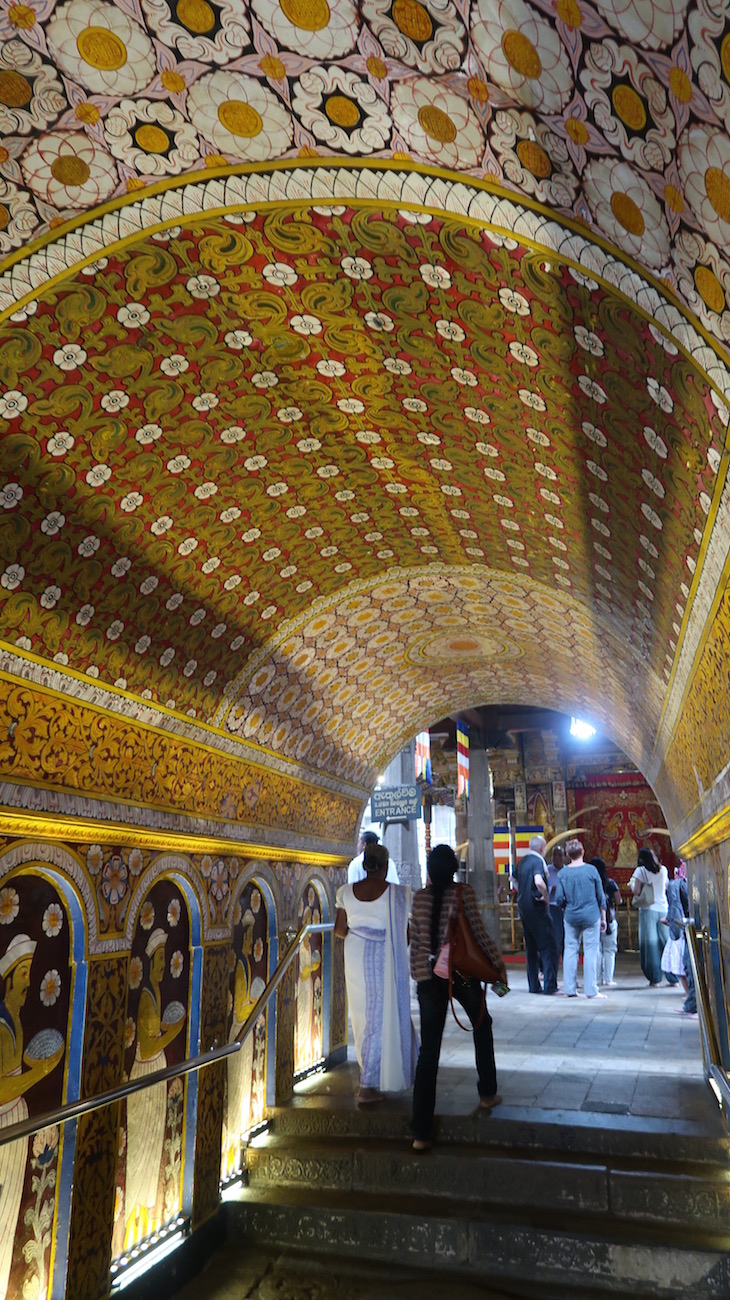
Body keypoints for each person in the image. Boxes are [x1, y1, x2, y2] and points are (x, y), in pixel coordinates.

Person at [409, 844, 508, 1151]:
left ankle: (421, 1133)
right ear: (453, 869)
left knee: (429, 1053)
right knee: (482, 1023)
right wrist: (497, 968)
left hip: (429, 980)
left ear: (429, 870)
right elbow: (478, 934)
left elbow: (416, 940)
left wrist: (423, 973)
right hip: (462, 976)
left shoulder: (419, 898)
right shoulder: (462, 894)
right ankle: (487, 1091)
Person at [0, 935, 64, 1296]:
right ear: (8, 978)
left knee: (8, 1214)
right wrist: (41, 1072)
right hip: (6, 1124)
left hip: (14, 1123)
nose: (28, 981)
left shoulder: (14, 1018)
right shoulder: (2, 1025)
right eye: (23, 973)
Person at [335, 843, 416, 1106]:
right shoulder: (400, 894)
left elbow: (339, 930)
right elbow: (406, 935)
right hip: (385, 954)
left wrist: (360, 933)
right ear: (385, 866)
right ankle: (368, 1085)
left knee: (362, 1016)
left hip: (355, 952)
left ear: (364, 864)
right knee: (383, 1013)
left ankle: (370, 1075)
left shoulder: (345, 892)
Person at [125, 928, 185, 1247]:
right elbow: (147, 1047)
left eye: (164, 958)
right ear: (150, 963)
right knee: (142, 1145)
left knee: (152, 1138)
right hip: (146, 1071)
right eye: (160, 959)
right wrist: (173, 1033)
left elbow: (153, 1031)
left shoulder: (154, 992)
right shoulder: (147, 996)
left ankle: (145, 1209)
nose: (163, 965)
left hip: (155, 1071)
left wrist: (167, 1029)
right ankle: (136, 1209)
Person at [555, 840, 606, 999]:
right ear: (583, 852)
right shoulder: (592, 870)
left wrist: (566, 906)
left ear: (567, 855)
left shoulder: (562, 873)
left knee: (570, 950)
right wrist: (603, 917)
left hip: (571, 915)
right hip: (591, 915)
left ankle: (570, 989)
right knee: (591, 952)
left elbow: (558, 899)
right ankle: (591, 990)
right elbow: (600, 896)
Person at [516, 835, 559, 994]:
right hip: (537, 907)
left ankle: (534, 985)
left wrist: (522, 893)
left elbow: (513, 879)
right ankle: (550, 986)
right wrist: (546, 897)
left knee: (531, 948)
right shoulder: (537, 861)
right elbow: (539, 881)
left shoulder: (522, 861)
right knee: (548, 946)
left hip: (524, 908)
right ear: (542, 848)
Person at [629, 847, 670, 987]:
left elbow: (636, 890)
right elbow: (666, 886)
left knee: (650, 944)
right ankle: (674, 978)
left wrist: (631, 885)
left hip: (648, 909)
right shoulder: (664, 870)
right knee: (667, 942)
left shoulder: (640, 871)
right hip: (663, 908)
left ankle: (655, 978)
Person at [590, 856, 621, 986]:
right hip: (609, 919)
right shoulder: (611, 883)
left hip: (592, 918)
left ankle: (597, 979)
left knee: (595, 949)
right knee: (609, 950)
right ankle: (608, 979)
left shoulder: (589, 884)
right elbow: (619, 900)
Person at [661, 866, 689, 989]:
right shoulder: (680, 884)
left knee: (680, 965)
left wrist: (671, 920)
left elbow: (675, 906)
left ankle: (690, 996)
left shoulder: (675, 884)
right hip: (685, 926)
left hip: (681, 930)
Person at [546, 846, 566, 964]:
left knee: (567, 940)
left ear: (564, 857)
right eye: (555, 855)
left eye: (560, 855)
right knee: (555, 939)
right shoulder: (547, 871)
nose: (557, 858)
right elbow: (540, 888)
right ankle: (550, 967)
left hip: (566, 908)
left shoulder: (568, 871)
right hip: (553, 907)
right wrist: (551, 889)